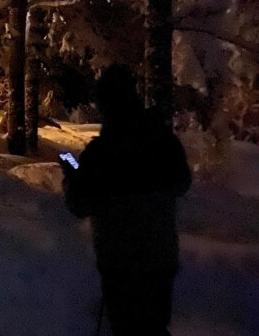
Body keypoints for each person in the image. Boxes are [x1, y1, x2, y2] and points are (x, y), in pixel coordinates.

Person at [62, 64, 192, 336]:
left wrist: (72, 176)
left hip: (119, 263)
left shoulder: (101, 154)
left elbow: (79, 204)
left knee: (126, 328)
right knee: (155, 327)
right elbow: (182, 182)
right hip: (160, 258)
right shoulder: (160, 139)